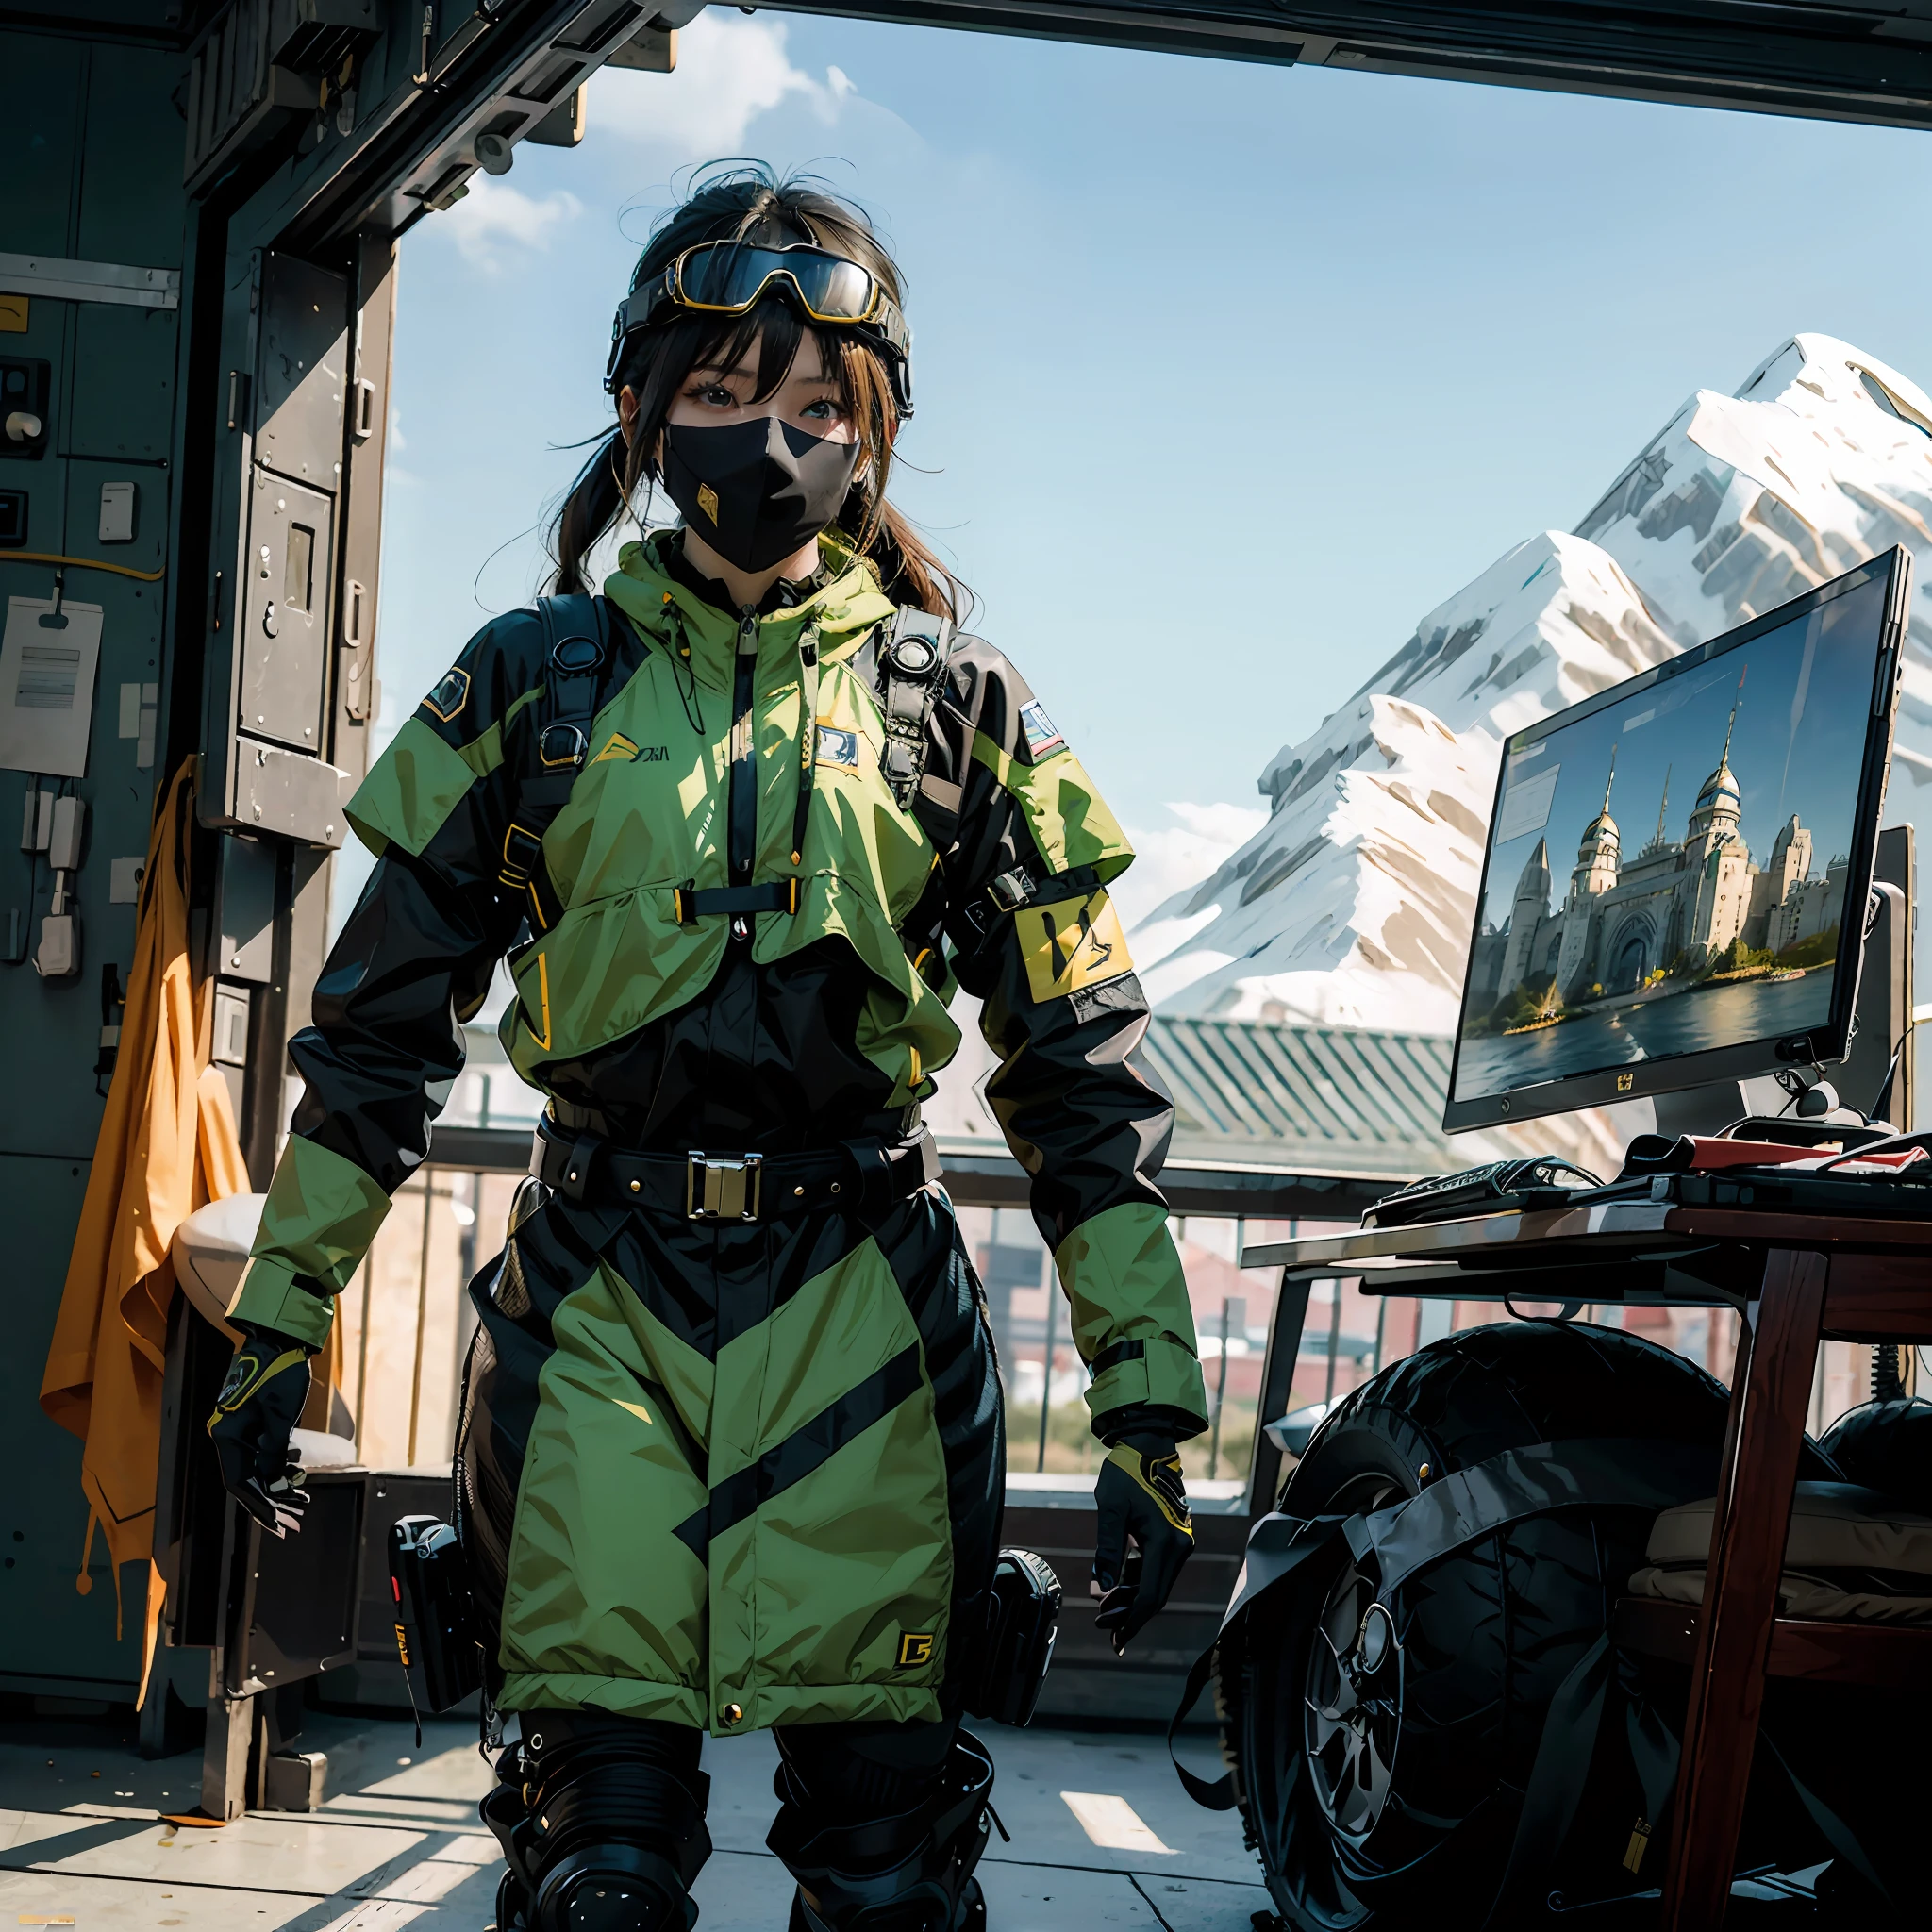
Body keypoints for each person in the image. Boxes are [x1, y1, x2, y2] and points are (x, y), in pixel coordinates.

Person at [206, 165, 1208, 1932]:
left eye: (820, 404)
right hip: (600, 1314)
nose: (774, 437)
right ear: (640, 409)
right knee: (597, 1872)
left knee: (892, 1880)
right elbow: (373, 1049)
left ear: (876, 435)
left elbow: (1087, 1081)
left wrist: (1144, 1407)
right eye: (727, 393)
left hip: (869, 1324)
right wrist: (278, 1327)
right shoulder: (529, 686)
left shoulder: (960, 713)